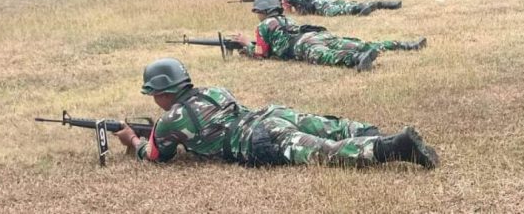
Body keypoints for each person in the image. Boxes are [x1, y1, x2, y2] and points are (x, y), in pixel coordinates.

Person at [113, 58, 439, 168]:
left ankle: (393, 147)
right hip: (268, 115)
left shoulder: (172, 121)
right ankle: (374, 133)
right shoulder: (214, 90)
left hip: (258, 138)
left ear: (162, 93)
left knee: (322, 152)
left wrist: (133, 141)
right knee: (328, 126)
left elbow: (157, 156)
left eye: (153, 93)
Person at [228, 0, 426, 72]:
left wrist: (246, 44)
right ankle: (405, 44)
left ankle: (357, 59)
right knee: (358, 42)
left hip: (304, 45)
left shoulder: (263, 27)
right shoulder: (284, 19)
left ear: (261, 12)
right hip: (317, 34)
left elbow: (262, 54)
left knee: (326, 56)